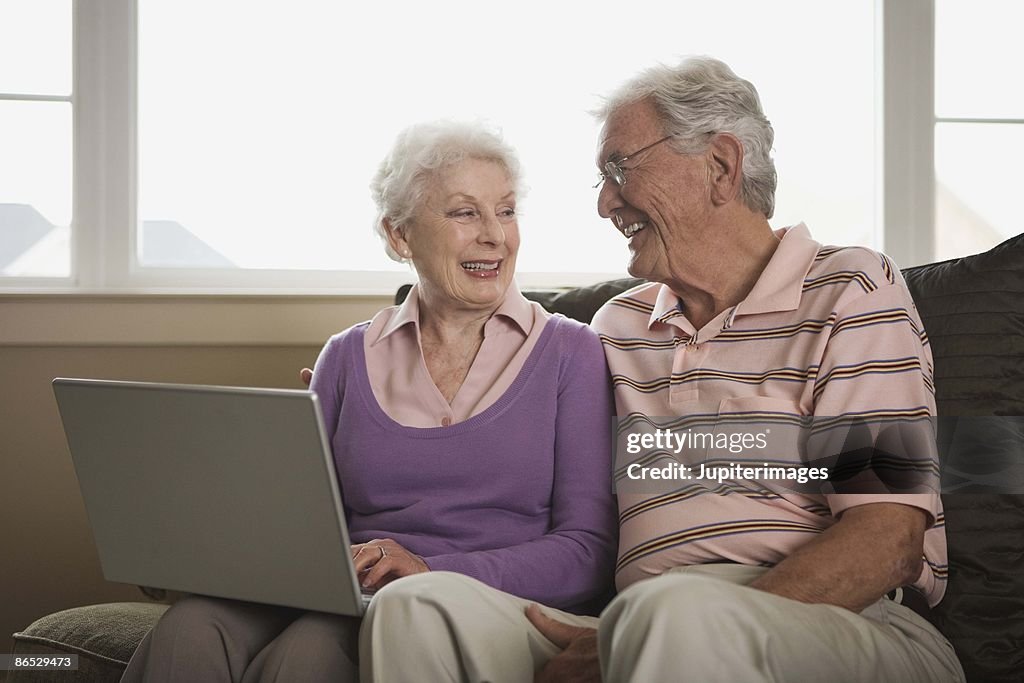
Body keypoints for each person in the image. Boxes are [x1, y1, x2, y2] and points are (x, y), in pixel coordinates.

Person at [359, 57, 966, 682]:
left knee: (669, 611)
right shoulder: (615, 329)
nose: (604, 203)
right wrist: (359, 405)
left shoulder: (849, 289)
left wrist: (665, 627)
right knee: (417, 610)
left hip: (843, 619)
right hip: (638, 621)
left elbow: (886, 539)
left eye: (619, 169)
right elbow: (512, 454)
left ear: (721, 166)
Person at [120, 121, 617, 683]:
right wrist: (192, 548)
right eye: (463, 213)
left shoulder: (572, 353)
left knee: (311, 651)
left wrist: (429, 569)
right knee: (189, 628)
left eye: (505, 211)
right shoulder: (345, 355)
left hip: (455, 601)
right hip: (337, 587)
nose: (495, 236)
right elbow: (294, 523)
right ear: (399, 235)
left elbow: (586, 550)